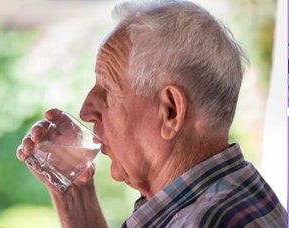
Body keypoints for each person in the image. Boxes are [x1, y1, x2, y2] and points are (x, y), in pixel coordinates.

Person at [16, 0, 287, 227]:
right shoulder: (226, 194)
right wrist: (74, 191)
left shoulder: (207, 221)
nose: (86, 111)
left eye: (107, 90)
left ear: (170, 111)